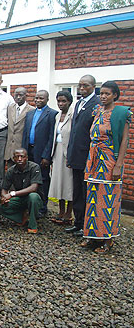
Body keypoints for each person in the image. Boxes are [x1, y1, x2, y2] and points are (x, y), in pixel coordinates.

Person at [81, 81, 131, 253]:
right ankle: (93, 236)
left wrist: (118, 165)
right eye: (101, 93)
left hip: (109, 160)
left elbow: (125, 140)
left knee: (107, 199)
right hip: (93, 159)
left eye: (107, 94)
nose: (103, 96)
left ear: (115, 95)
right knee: (93, 197)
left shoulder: (121, 113)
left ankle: (107, 240)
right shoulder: (97, 111)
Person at [65, 75, 101, 236]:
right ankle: (78, 222)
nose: (81, 88)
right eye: (79, 85)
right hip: (75, 156)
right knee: (77, 192)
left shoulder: (97, 105)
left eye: (85, 85)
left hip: (88, 157)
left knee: (86, 191)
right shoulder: (78, 103)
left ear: (93, 86)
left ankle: (87, 225)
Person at [22, 90, 58, 215]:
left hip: (41, 153)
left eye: (41, 98)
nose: (38, 100)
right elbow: (25, 133)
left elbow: (51, 137)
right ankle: (29, 205)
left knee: (42, 179)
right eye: (36, 98)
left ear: (47, 99)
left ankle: (42, 207)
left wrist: (46, 156)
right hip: (29, 151)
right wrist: (23, 152)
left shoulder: (52, 114)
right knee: (28, 178)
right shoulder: (30, 114)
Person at [0, 148, 44, 233]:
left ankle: (32, 224)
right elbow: (4, 188)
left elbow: (34, 188)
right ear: (13, 158)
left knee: (33, 197)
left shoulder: (34, 167)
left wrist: (12, 194)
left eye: (22, 156)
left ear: (27, 158)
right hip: (20, 198)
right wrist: (4, 198)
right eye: (17, 157)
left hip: (34, 199)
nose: (19, 159)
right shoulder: (11, 170)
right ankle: (21, 217)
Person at [48, 91, 74, 224]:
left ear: (69, 101)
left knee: (68, 184)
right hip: (57, 152)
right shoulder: (58, 116)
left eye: (63, 101)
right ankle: (61, 212)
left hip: (68, 153)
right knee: (59, 182)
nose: (60, 104)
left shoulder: (73, 115)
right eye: (58, 101)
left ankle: (69, 214)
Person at [5, 87, 35, 168]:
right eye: (16, 95)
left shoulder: (31, 110)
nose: (18, 97)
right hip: (10, 149)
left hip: (22, 147)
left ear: (26, 96)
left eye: (21, 95)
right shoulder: (10, 107)